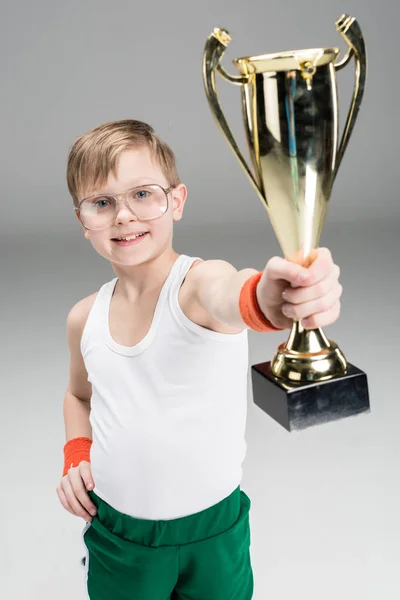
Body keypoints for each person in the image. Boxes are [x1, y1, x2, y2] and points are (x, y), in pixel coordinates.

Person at [56, 119, 342, 600]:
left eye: (142, 194)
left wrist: (275, 298)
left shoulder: (198, 285)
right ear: (83, 221)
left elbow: (235, 293)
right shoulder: (84, 318)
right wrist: (76, 454)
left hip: (214, 532)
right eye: (102, 203)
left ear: (177, 200)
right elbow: (77, 395)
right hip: (119, 535)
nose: (124, 216)